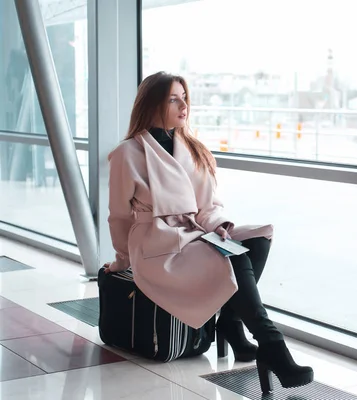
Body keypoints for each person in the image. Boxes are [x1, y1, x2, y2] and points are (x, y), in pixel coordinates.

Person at [104, 71, 313, 392]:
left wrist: (221, 228)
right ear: (152, 102)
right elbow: (119, 216)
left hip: (195, 233)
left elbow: (208, 207)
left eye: (185, 98)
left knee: (256, 238)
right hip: (158, 247)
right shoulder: (127, 153)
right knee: (233, 257)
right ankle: (272, 344)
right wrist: (122, 259)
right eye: (173, 98)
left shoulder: (192, 147)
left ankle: (231, 324)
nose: (183, 105)